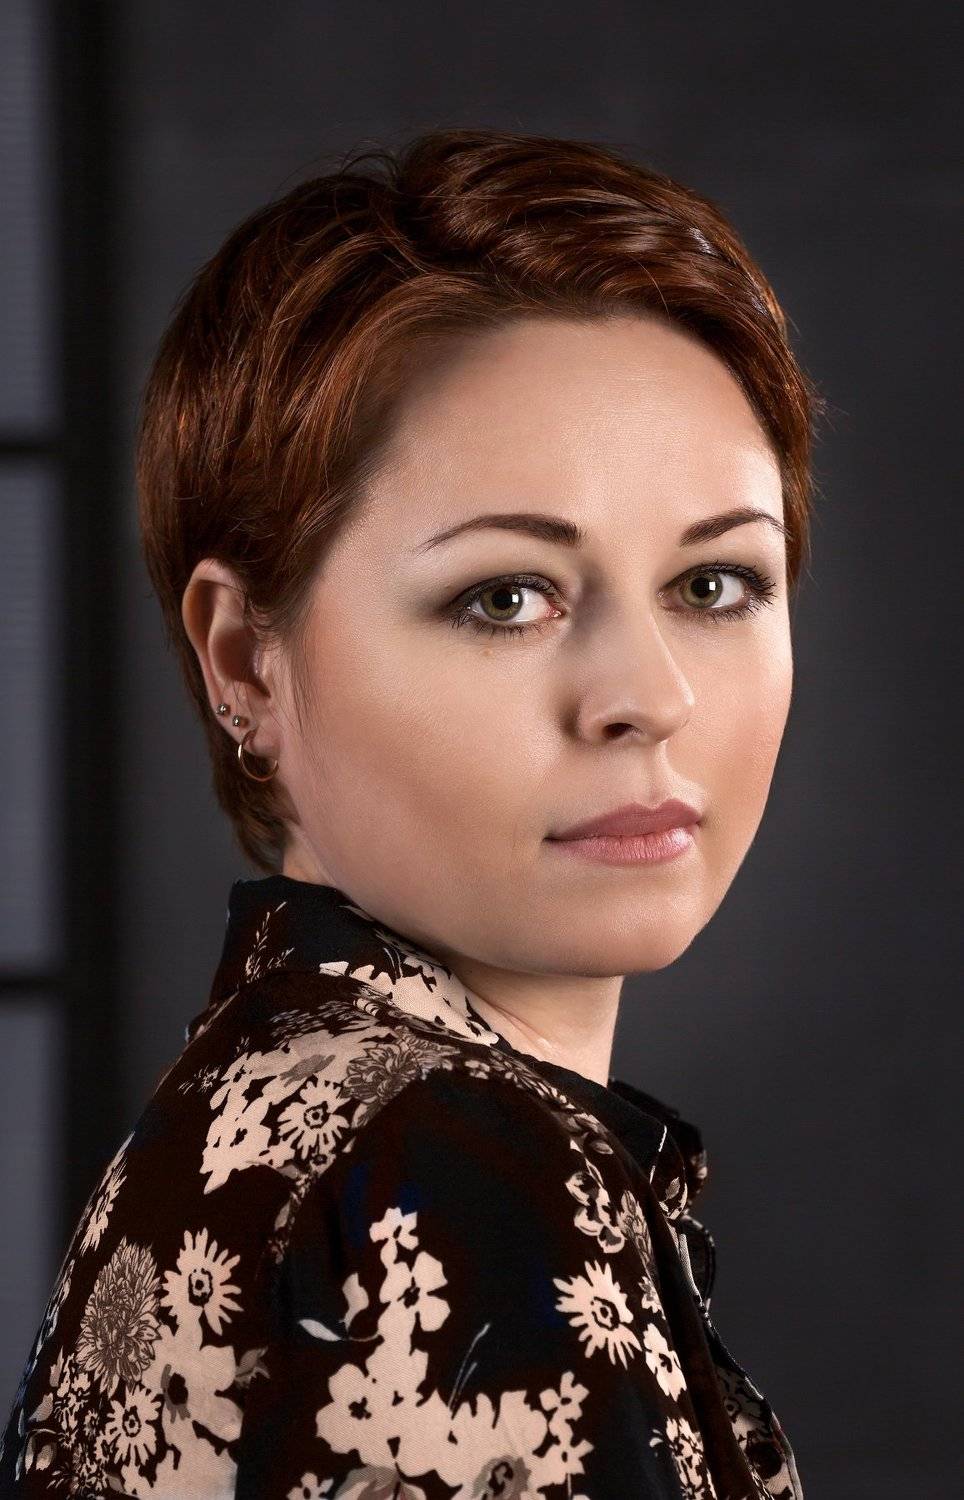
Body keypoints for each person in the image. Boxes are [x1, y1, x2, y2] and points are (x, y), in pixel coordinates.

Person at [0, 127, 822, 1498]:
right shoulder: (453, 1173)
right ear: (243, 660)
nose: (647, 697)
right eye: (505, 597)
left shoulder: (248, 1117)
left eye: (715, 585)